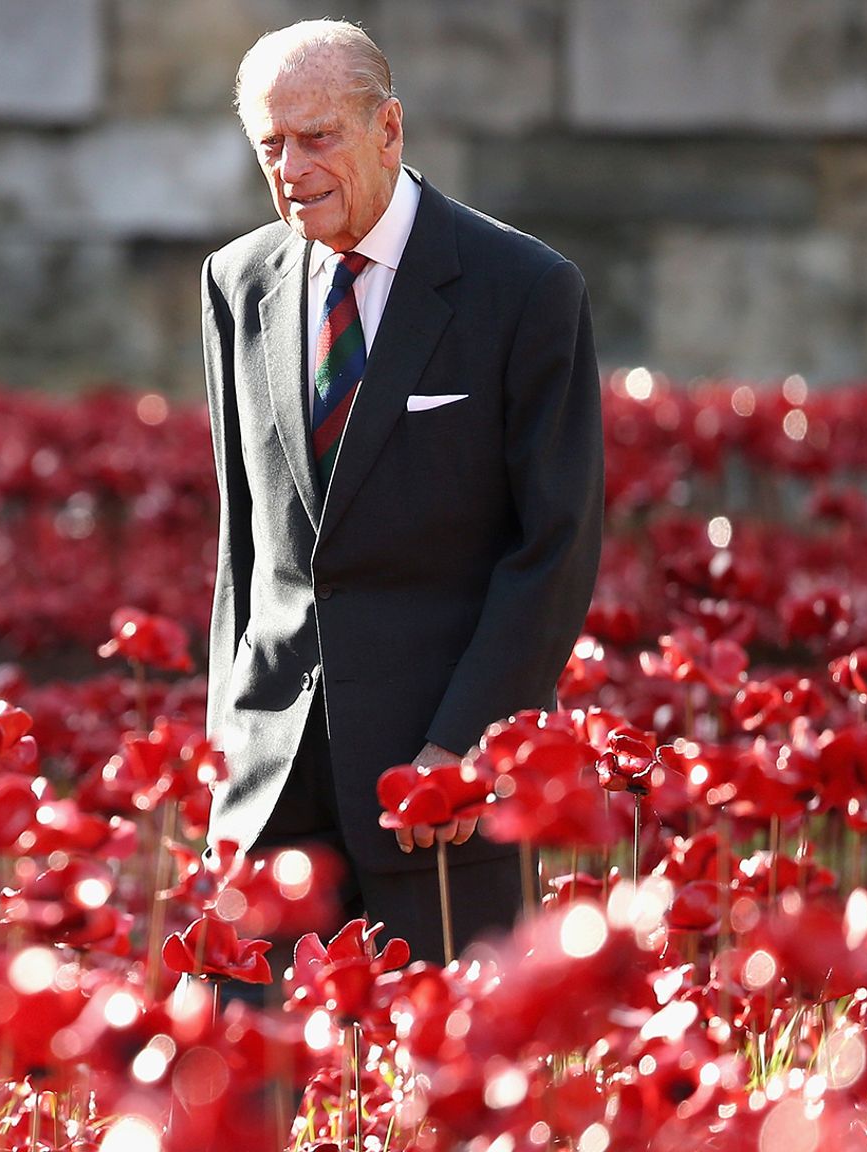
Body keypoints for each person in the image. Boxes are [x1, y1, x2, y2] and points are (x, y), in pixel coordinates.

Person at [200, 21, 602, 966]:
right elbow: (244, 547)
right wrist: (228, 743)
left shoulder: (526, 290)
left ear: (389, 129)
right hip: (271, 789)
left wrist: (463, 747)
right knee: (241, 1104)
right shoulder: (237, 281)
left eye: (317, 137)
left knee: (436, 1103)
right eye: (270, 144)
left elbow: (554, 549)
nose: (290, 167)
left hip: (436, 797)